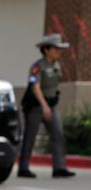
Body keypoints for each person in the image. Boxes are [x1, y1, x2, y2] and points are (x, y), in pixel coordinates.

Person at [18, 34, 76, 178]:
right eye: (56, 49)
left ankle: (59, 168)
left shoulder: (56, 65)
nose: (58, 52)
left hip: (50, 105)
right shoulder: (37, 66)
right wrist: (44, 106)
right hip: (37, 105)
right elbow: (35, 86)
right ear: (46, 50)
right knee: (30, 136)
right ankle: (23, 168)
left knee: (58, 134)